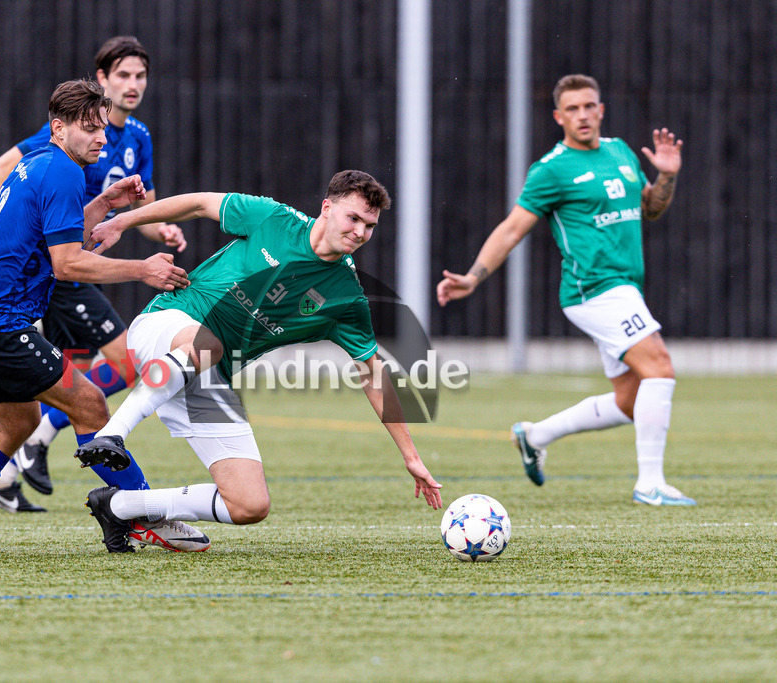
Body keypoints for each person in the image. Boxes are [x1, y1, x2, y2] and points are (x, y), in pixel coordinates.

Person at [72, 170, 444, 553]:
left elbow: (373, 375)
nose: (360, 233)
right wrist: (120, 222)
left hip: (208, 373)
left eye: (370, 226)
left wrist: (411, 457)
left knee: (250, 504)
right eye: (354, 218)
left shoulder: (347, 298)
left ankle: (119, 506)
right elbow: (199, 203)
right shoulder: (273, 218)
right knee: (207, 344)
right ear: (327, 208)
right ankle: (112, 435)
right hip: (165, 323)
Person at [0, 78, 193, 552]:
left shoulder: (42, 163)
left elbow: (56, 237)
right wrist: (142, 269)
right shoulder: (61, 170)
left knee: (18, 423)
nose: (101, 138)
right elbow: (67, 263)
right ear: (57, 128)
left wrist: (103, 204)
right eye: (88, 128)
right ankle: (144, 513)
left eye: (102, 128)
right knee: (90, 405)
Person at [436, 74, 694, 506]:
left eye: (588, 106)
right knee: (660, 368)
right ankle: (650, 483)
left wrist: (666, 176)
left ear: (601, 110)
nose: (582, 115)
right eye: (571, 109)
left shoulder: (620, 152)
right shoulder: (551, 170)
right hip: (593, 289)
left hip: (625, 288)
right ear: (559, 117)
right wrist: (473, 276)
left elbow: (648, 209)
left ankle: (535, 435)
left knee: (630, 401)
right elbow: (511, 229)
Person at [0, 37, 188, 525]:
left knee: (68, 372)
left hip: (77, 263)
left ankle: (7, 475)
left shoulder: (138, 136)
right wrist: (19, 241)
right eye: (122, 76)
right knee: (122, 363)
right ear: (102, 80)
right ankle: (39, 443)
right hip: (67, 267)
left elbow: (143, 204)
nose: (132, 85)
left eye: (140, 76)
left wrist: (162, 226)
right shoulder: (71, 135)